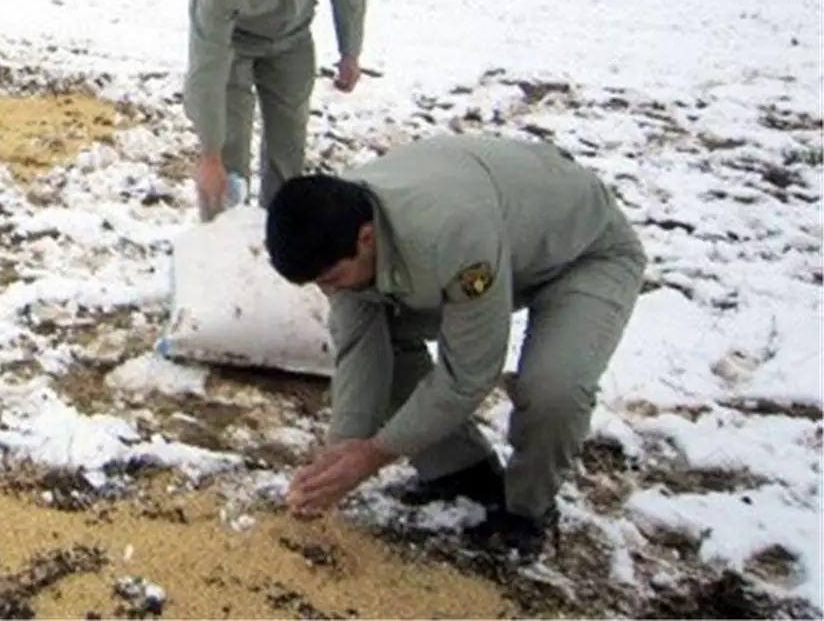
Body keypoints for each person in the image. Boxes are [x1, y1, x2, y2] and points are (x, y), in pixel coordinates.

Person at [263, 133, 648, 560]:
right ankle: (462, 474)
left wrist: (374, 455)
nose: (327, 289)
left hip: (584, 254)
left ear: (367, 238)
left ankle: (526, 513)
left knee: (553, 389)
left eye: (330, 279)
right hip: (505, 238)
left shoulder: (448, 235)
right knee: (387, 336)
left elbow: (471, 373)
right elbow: (361, 346)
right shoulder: (338, 222)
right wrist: (341, 451)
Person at [182, 0, 369, 221]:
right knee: (229, 153)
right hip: (233, 45)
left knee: (288, 147)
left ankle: (282, 238)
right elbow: (206, 65)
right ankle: (222, 237)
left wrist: (350, 52)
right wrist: (209, 153)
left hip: (292, 38)